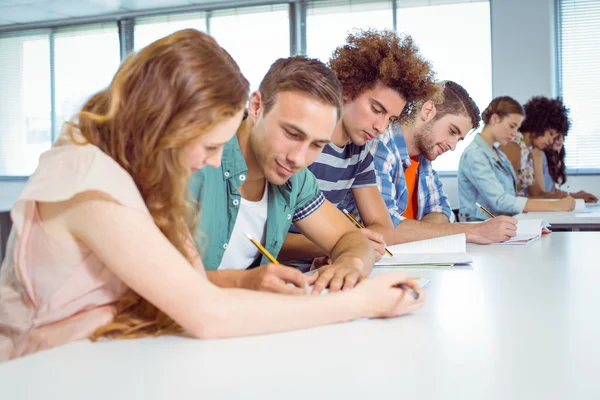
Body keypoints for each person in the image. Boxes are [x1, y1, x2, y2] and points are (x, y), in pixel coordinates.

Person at [0, 30, 425, 362]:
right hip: (42, 368)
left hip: (118, 353)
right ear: (163, 123)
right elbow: (207, 312)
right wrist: (361, 302)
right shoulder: (88, 176)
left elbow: (187, 283)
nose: (215, 162)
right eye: (207, 146)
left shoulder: (142, 172)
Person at [189, 55, 386, 295]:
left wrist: (349, 265)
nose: (299, 159)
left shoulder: (296, 179)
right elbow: (155, 278)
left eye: (317, 145)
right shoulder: (197, 161)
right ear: (256, 107)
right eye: (292, 134)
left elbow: (351, 238)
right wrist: (242, 282)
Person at [280, 29, 437, 267]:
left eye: (391, 119)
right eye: (377, 109)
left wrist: (344, 246)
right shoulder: (297, 148)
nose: (381, 127)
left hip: (324, 271)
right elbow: (269, 240)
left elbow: (385, 229)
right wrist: (340, 242)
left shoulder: (359, 153)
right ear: (347, 90)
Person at [358, 81, 518, 244]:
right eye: (452, 131)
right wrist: (472, 231)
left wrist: (417, 233)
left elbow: (442, 210)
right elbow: (387, 229)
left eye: (459, 139)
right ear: (427, 111)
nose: (453, 146)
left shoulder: (423, 158)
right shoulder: (381, 147)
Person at [458, 96, 576, 221]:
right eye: (512, 126)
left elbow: (511, 197)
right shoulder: (474, 155)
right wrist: (554, 205)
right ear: (495, 119)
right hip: (480, 226)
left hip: (500, 225)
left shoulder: (500, 155)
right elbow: (500, 201)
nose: (515, 133)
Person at [498, 96, 568, 198]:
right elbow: (502, 198)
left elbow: (538, 194)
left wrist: (565, 197)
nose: (551, 141)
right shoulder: (513, 147)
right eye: (551, 134)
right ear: (539, 125)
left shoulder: (527, 152)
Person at [536, 133, 598, 203]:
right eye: (556, 135)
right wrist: (571, 196)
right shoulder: (538, 153)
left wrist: (575, 195)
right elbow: (540, 195)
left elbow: (550, 190)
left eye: (563, 135)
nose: (560, 139)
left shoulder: (552, 157)